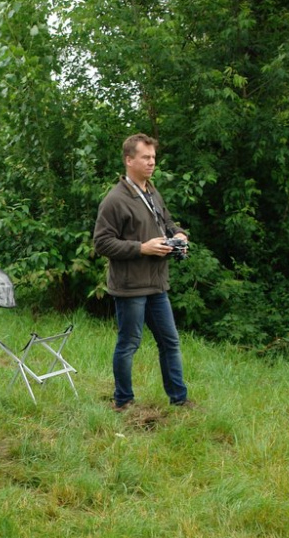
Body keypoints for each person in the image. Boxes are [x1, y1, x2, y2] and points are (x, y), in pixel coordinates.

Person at [92, 133, 193, 411]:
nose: (151, 163)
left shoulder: (151, 191)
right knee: (129, 344)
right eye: (145, 158)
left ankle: (179, 399)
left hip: (156, 283)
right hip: (130, 286)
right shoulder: (115, 200)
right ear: (129, 160)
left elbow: (168, 222)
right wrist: (142, 248)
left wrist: (179, 235)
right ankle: (123, 401)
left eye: (153, 158)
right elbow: (101, 243)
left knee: (170, 342)